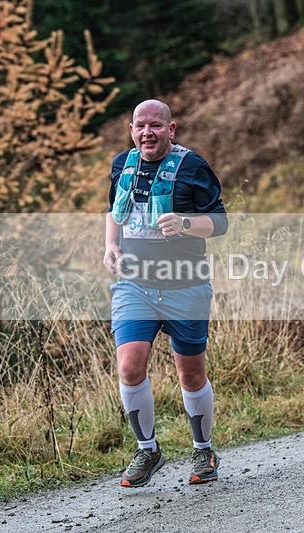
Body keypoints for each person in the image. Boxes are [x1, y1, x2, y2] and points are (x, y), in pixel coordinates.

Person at [103, 99, 228, 487]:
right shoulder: (123, 164)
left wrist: (186, 222)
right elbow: (112, 210)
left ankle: (203, 448)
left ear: (170, 130)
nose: (147, 133)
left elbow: (220, 223)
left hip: (185, 285)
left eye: (156, 126)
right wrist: (111, 246)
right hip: (134, 285)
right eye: (140, 126)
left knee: (189, 373)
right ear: (131, 130)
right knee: (129, 365)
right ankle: (147, 449)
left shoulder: (193, 167)